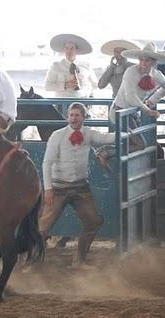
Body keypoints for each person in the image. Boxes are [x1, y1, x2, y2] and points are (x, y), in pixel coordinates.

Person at [38, 102, 115, 267]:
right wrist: (48, 188)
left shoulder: (89, 134)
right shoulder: (57, 135)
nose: (73, 118)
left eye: (76, 115)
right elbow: (47, 163)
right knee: (43, 226)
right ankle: (29, 260)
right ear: (68, 117)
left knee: (93, 221)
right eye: (71, 115)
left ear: (83, 118)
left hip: (80, 187)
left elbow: (106, 138)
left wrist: (126, 133)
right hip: (58, 188)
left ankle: (79, 261)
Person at [109, 42, 165, 152]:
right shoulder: (131, 72)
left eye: (147, 60)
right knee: (140, 145)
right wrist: (147, 110)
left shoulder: (156, 74)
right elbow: (130, 97)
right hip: (120, 112)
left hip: (133, 113)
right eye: (141, 60)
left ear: (153, 62)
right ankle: (106, 152)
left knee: (154, 149)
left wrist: (152, 100)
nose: (143, 63)